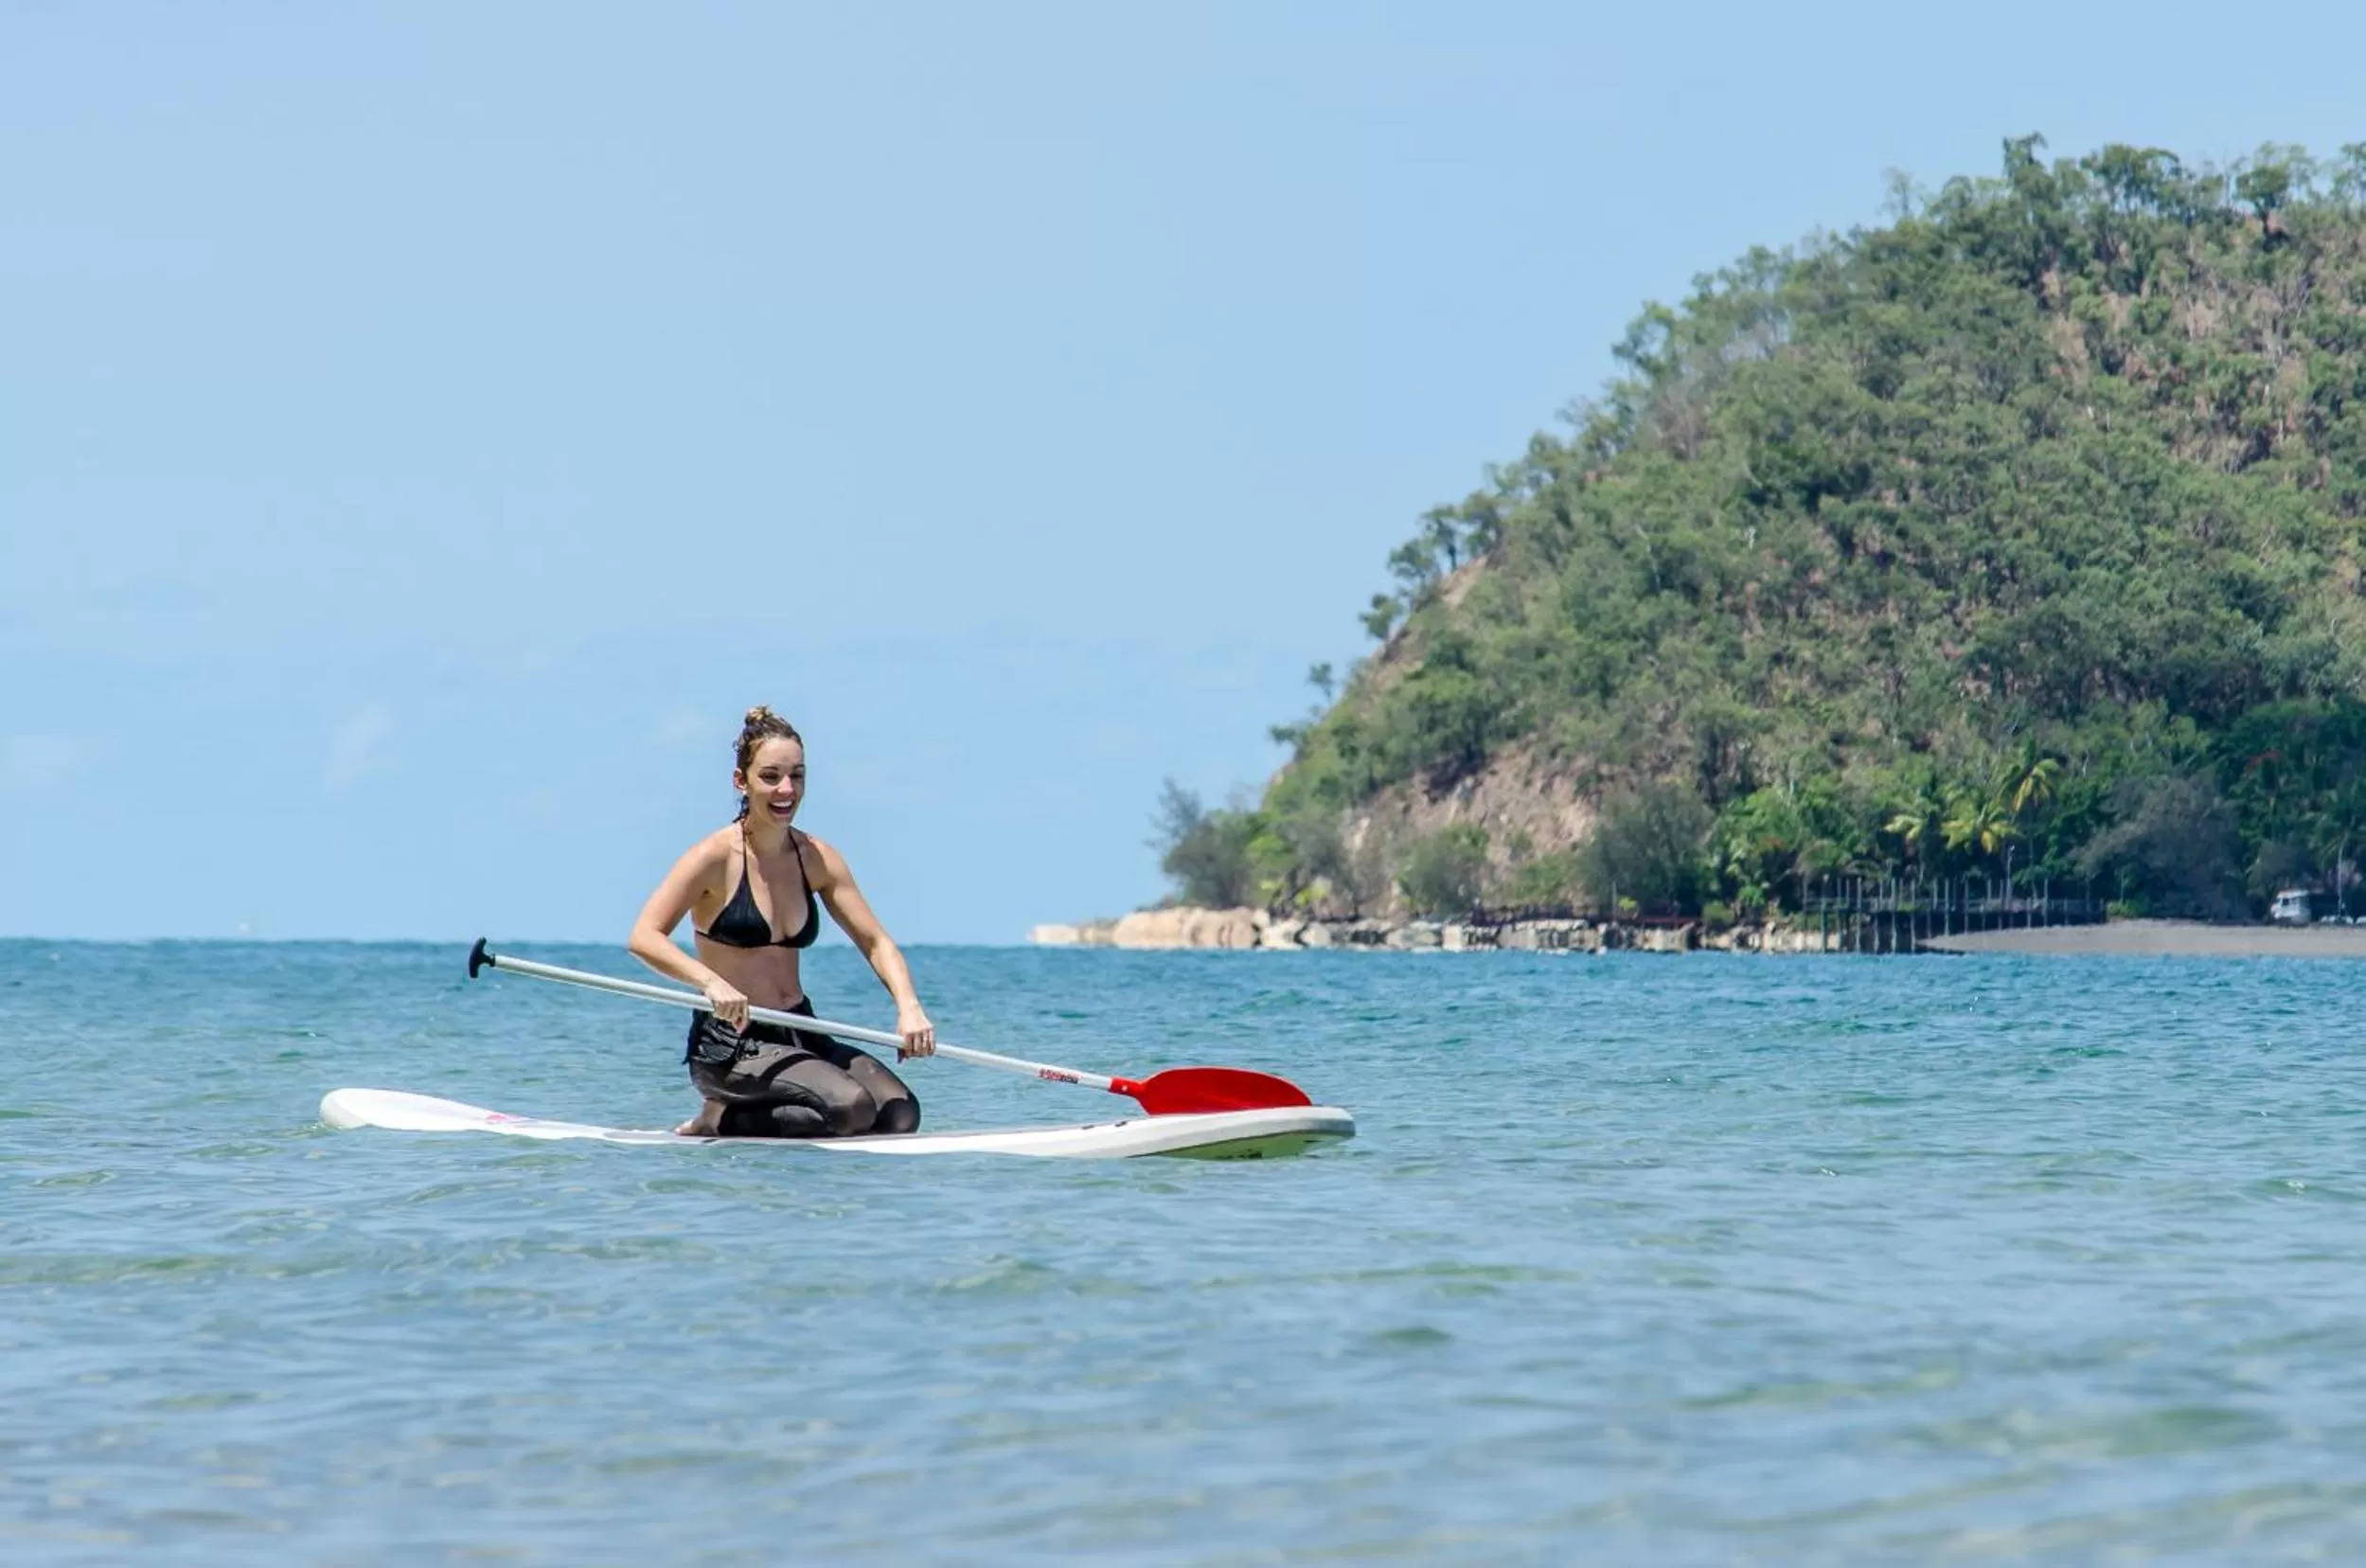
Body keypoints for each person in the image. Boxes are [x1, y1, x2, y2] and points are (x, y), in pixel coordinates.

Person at [629, 706, 935, 1137]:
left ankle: (744, 1113)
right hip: (734, 1045)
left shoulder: (816, 858)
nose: (786, 789)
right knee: (850, 1109)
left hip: (800, 1031)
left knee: (900, 1115)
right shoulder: (713, 858)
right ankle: (720, 1117)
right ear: (742, 781)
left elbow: (875, 941)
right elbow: (644, 937)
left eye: (797, 776)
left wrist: (909, 1008)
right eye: (770, 776)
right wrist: (711, 983)